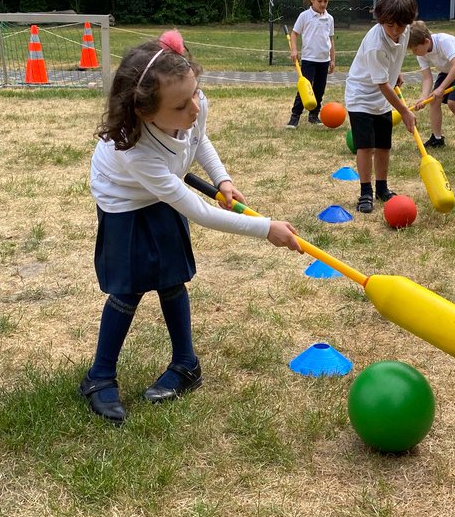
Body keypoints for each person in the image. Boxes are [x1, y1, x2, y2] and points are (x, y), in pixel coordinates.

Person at [84, 32, 301, 425]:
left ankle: (186, 365)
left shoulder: (190, 105)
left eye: (196, 95)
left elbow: (200, 140)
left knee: (171, 278)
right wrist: (265, 228)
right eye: (182, 105)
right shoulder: (133, 151)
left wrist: (223, 180)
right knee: (127, 287)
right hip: (126, 203)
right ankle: (99, 377)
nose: (194, 108)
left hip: (163, 189)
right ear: (146, 113)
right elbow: (198, 212)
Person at [344, 0, 419, 213]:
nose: (395, 31)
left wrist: (396, 72)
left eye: (401, 26)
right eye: (390, 26)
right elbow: (382, 85)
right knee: (366, 147)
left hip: (382, 98)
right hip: (362, 97)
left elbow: (395, 58)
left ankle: (382, 188)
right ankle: (365, 192)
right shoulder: (376, 44)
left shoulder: (404, 31)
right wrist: (405, 111)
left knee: (384, 145)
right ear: (380, 19)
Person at [407, 21, 455, 149]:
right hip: (448, 70)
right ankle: (437, 139)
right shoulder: (422, 53)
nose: (414, 53)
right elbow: (427, 78)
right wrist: (423, 97)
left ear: (426, 42)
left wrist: (441, 88)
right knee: (434, 101)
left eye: (415, 49)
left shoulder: (444, 41)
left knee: (453, 103)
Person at [286, 0, 336, 128]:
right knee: (305, 88)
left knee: (319, 89)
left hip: (324, 60)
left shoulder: (329, 19)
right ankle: (294, 117)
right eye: (320, 0)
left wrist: (332, 59)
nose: (323, 4)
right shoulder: (304, 16)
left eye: (326, 1)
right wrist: (294, 50)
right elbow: (294, 34)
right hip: (309, 59)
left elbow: (331, 40)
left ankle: (314, 115)